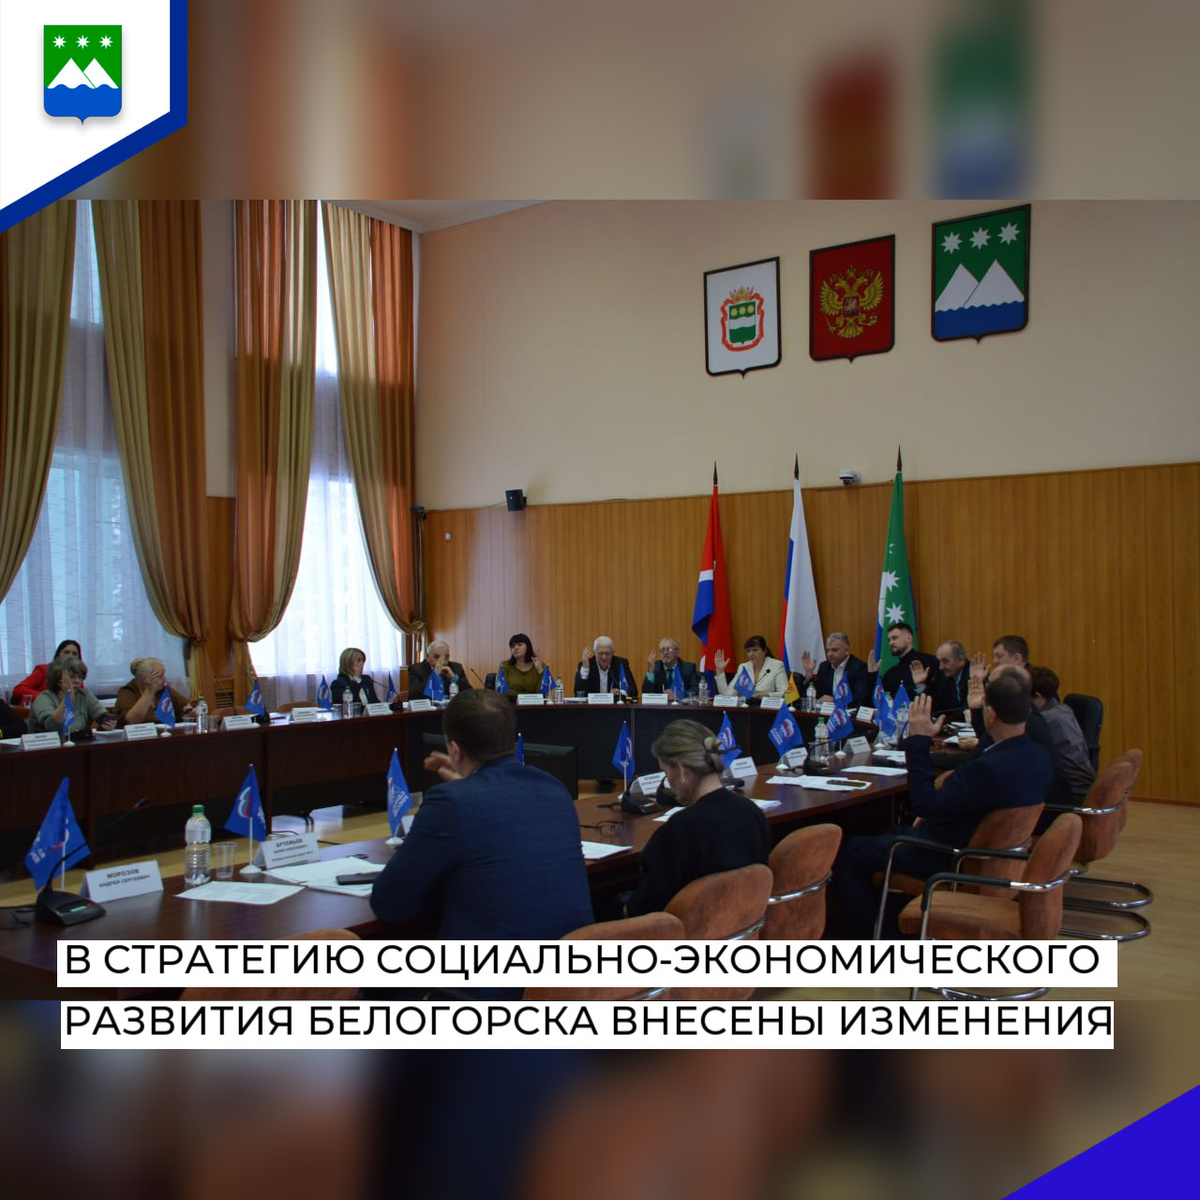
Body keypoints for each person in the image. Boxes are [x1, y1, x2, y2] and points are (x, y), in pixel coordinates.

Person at [832, 675, 1052, 938]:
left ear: (990, 713)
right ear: (1028, 712)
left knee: (849, 852)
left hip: (947, 855)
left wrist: (919, 740)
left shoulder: (985, 770)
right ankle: (902, 925)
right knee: (887, 831)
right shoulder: (1038, 756)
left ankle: (881, 938)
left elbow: (924, 804)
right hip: (989, 854)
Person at [370, 690, 594, 939]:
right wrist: (470, 784)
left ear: (455, 751)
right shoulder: (553, 788)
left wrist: (467, 788)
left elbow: (389, 903)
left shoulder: (450, 803)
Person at [625, 719, 772, 916]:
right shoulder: (752, 813)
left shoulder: (679, 830)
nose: (668, 782)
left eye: (665, 772)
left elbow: (645, 910)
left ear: (681, 770)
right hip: (744, 926)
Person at [1030, 666, 1096, 798]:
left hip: (1069, 791)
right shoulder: (1064, 709)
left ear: (1037, 697)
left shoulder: (1045, 720)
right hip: (1081, 783)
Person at [27, 656, 116, 737]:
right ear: (58, 679)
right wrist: (68, 698)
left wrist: (109, 722)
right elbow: (52, 726)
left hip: (78, 745)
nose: (77, 681)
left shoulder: (84, 695)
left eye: (80, 677)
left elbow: (102, 715)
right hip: (46, 746)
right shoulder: (44, 698)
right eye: (72, 677)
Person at [796, 632, 872, 707]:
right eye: (828, 650)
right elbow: (816, 695)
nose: (829, 654)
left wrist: (834, 700)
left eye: (834, 650)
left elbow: (860, 698)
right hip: (826, 712)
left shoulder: (859, 668)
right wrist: (809, 674)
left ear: (847, 650)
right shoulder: (824, 667)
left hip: (848, 712)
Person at [114, 657, 195, 726]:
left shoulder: (163, 690)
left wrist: (192, 713)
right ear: (145, 679)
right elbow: (132, 720)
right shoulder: (127, 692)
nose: (165, 679)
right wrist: (149, 692)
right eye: (160, 676)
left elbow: (187, 708)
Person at [868, 622, 939, 698]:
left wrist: (920, 686)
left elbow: (939, 696)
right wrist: (872, 674)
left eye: (894, 638)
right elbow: (877, 699)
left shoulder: (930, 662)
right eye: (889, 640)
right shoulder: (891, 673)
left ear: (909, 638)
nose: (891, 643)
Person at [714, 636, 788, 699]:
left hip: (768, 708)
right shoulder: (743, 667)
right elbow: (727, 696)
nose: (751, 654)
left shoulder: (776, 665)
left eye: (755, 650)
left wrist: (768, 695)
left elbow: (785, 693)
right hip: (748, 708)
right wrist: (720, 671)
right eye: (748, 651)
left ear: (764, 651)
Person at [11, 639, 81, 705]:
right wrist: (46, 697)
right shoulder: (44, 670)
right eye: (66, 652)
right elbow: (18, 689)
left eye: (74, 654)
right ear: (58, 655)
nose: (70, 656)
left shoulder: (78, 676)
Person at [925, 640, 971, 717]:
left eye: (945, 661)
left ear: (960, 660)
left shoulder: (974, 674)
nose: (941, 667)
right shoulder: (943, 677)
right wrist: (920, 685)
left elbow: (967, 708)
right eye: (939, 662)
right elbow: (935, 706)